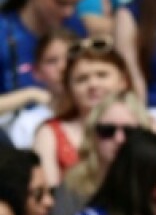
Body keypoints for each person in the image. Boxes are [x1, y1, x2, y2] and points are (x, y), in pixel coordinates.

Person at [49, 89, 156, 215]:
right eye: (107, 131)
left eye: (130, 131)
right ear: (91, 136)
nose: (119, 139)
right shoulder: (72, 188)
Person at [32, 40, 133, 186]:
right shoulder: (49, 133)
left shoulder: (146, 124)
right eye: (82, 79)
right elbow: (49, 191)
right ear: (69, 88)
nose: (93, 84)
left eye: (102, 75)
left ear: (123, 81)